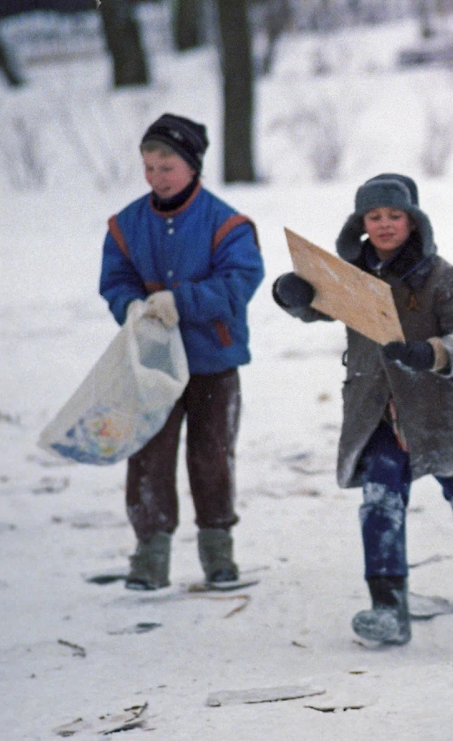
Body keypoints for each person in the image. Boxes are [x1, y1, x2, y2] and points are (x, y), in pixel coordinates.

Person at [272, 173, 453, 646]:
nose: (384, 225)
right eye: (373, 217)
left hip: (438, 408)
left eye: (394, 216)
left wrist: (432, 352)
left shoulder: (440, 276)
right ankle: (387, 607)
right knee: (380, 496)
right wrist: (290, 294)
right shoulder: (349, 274)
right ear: (361, 223)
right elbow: (315, 302)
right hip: (375, 410)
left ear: (413, 221)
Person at [100, 113, 265, 590]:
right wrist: (132, 306)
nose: (156, 177)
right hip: (151, 363)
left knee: (212, 455)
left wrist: (183, 301)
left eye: (166, 166)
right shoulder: (127, 224)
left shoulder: (227, 223)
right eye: (148, 167)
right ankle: (150, 554)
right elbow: (115, 280)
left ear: (193, 166)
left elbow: (239, 282)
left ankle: (218, 553)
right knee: (149, 454)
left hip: (214, 361)